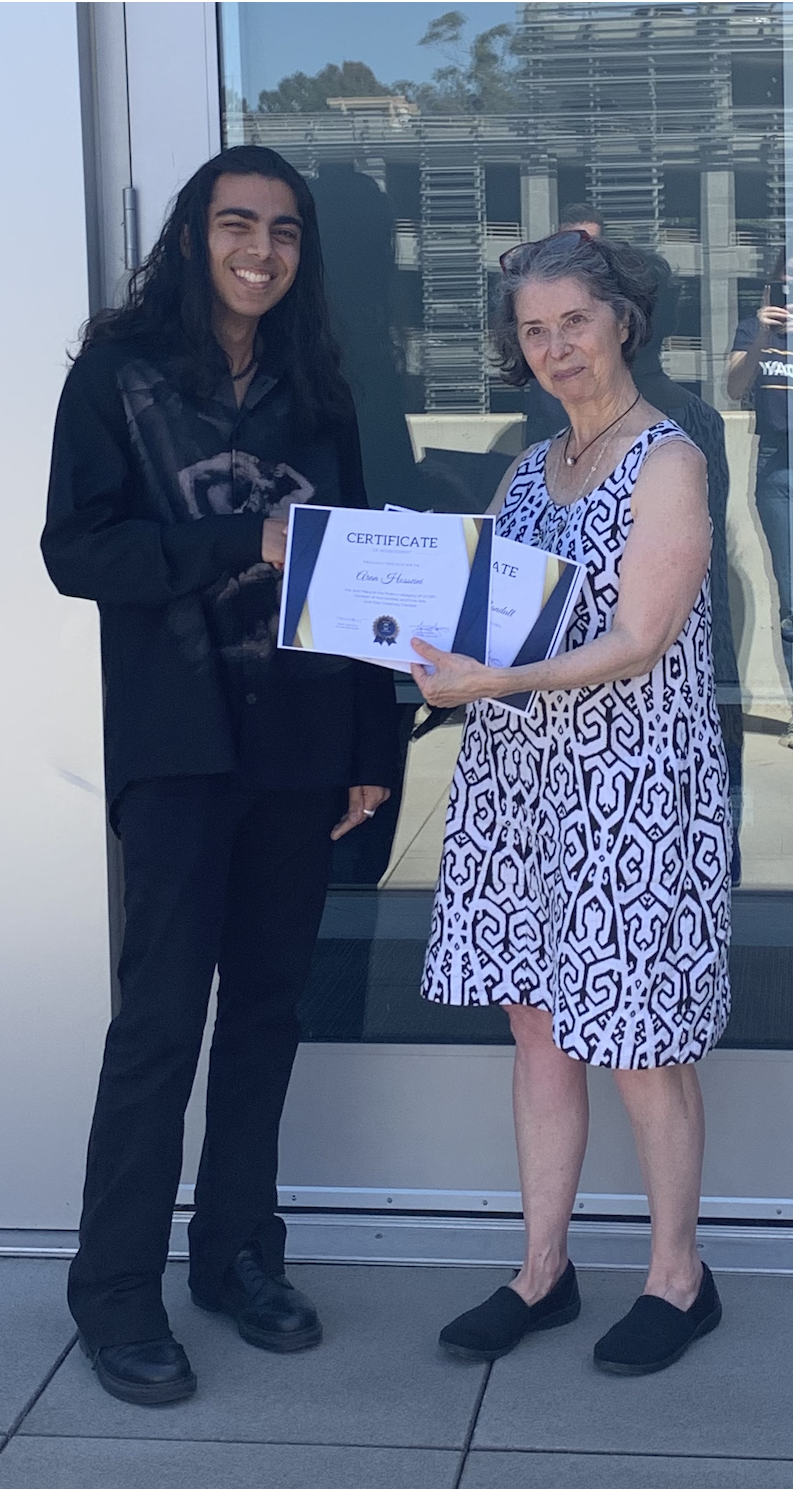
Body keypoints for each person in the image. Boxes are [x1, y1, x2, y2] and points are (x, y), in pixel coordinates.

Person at [41, 144, 398, 1405]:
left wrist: (370, 749)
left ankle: (238, 1254)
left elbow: (364, 573)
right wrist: (244, 535)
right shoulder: (117, 373)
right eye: (238, 223)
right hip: (180, 744)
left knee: (263, 1014)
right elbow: (77, 553)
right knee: (157, 1026)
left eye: (285, 230)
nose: (261, 248)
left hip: (299, 743)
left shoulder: (320, 386)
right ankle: (115, 1292)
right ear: (194, 236)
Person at [411, 230, 731, 1376]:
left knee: (639, 1040)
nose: (554, 348)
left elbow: (639, 638)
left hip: (629, 792)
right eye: (533, 330)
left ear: (622, 322)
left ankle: (677, 1278)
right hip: (524, 784)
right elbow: (493, 619)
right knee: (537, 1024)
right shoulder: (528, 468)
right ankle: (541, 1270)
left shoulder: (668, 460)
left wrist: (492, 681)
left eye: (574, 323)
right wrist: (423, 644)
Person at [727, 247, 793, 747]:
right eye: (786, 281)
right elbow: (734, 387)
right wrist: (761, 340)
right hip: (775, 466)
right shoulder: (755, 330)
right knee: (791, 599)